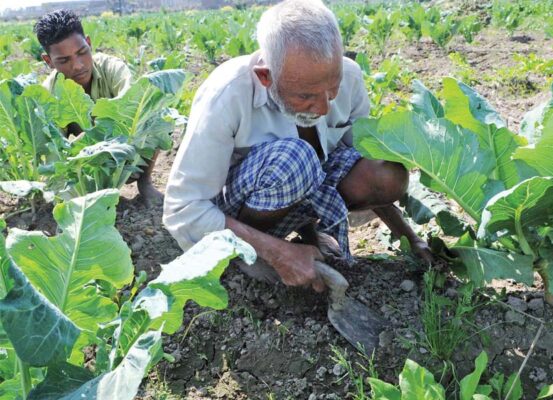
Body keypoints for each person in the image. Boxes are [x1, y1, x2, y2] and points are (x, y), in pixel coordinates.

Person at [163, 0, 433, 292]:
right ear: (266, 77)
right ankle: (246, 255)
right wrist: (276, 252)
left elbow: (362, 162)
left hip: (300, 191)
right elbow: (184, 210)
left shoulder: (350, 76)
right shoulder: (227, 94)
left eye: (332, 90)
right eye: (306, 97)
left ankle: (307, 233)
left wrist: (412, 238)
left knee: (386, 172)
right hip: (236, 211)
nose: (324, 108)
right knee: (296, 160)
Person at [34, 9, 163, 205]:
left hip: (125, 159)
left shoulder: (113, 68)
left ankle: (144, 183)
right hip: (88, 167)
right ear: (49, 61)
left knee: (155, 116)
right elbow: (54, 153)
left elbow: (132, 109)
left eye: (82, 52)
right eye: (64, 60)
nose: (77, 65)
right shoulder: (49, 93)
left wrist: (100, 137)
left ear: (89, 43)